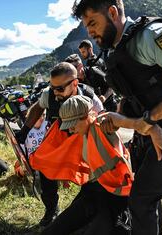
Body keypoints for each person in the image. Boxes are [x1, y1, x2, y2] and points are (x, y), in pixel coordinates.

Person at [72, 1, 162, 234]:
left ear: (113, 13)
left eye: (93, 23)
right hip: (153, 122)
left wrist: (148, 121)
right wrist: (116, 115)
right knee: (142, 187)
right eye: (87, 27)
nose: (90, 32)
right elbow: (138, 92)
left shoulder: (152, 36)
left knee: (141, 199)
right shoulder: (114, 50)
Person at [41, 95, 162, 235]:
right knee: (53, 230)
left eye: (73, 124)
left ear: (86, 116)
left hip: (115, 197)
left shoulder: (102, 123)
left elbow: (125, 121)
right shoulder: (83, 133)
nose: (70, 130)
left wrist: (153, 130)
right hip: (93, 192)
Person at [16, 62, 104, 226]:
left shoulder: (90, 97)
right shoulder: (49, 94)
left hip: (82, 138)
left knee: (92, 174)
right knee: (44, 167)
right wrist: (26, 129)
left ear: (75, 83)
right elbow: (37, 108)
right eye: (53, 87)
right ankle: (51, 210)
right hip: (57, 136)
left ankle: (86, 209)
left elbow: (103, 118)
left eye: (60, 89)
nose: (55, 93)